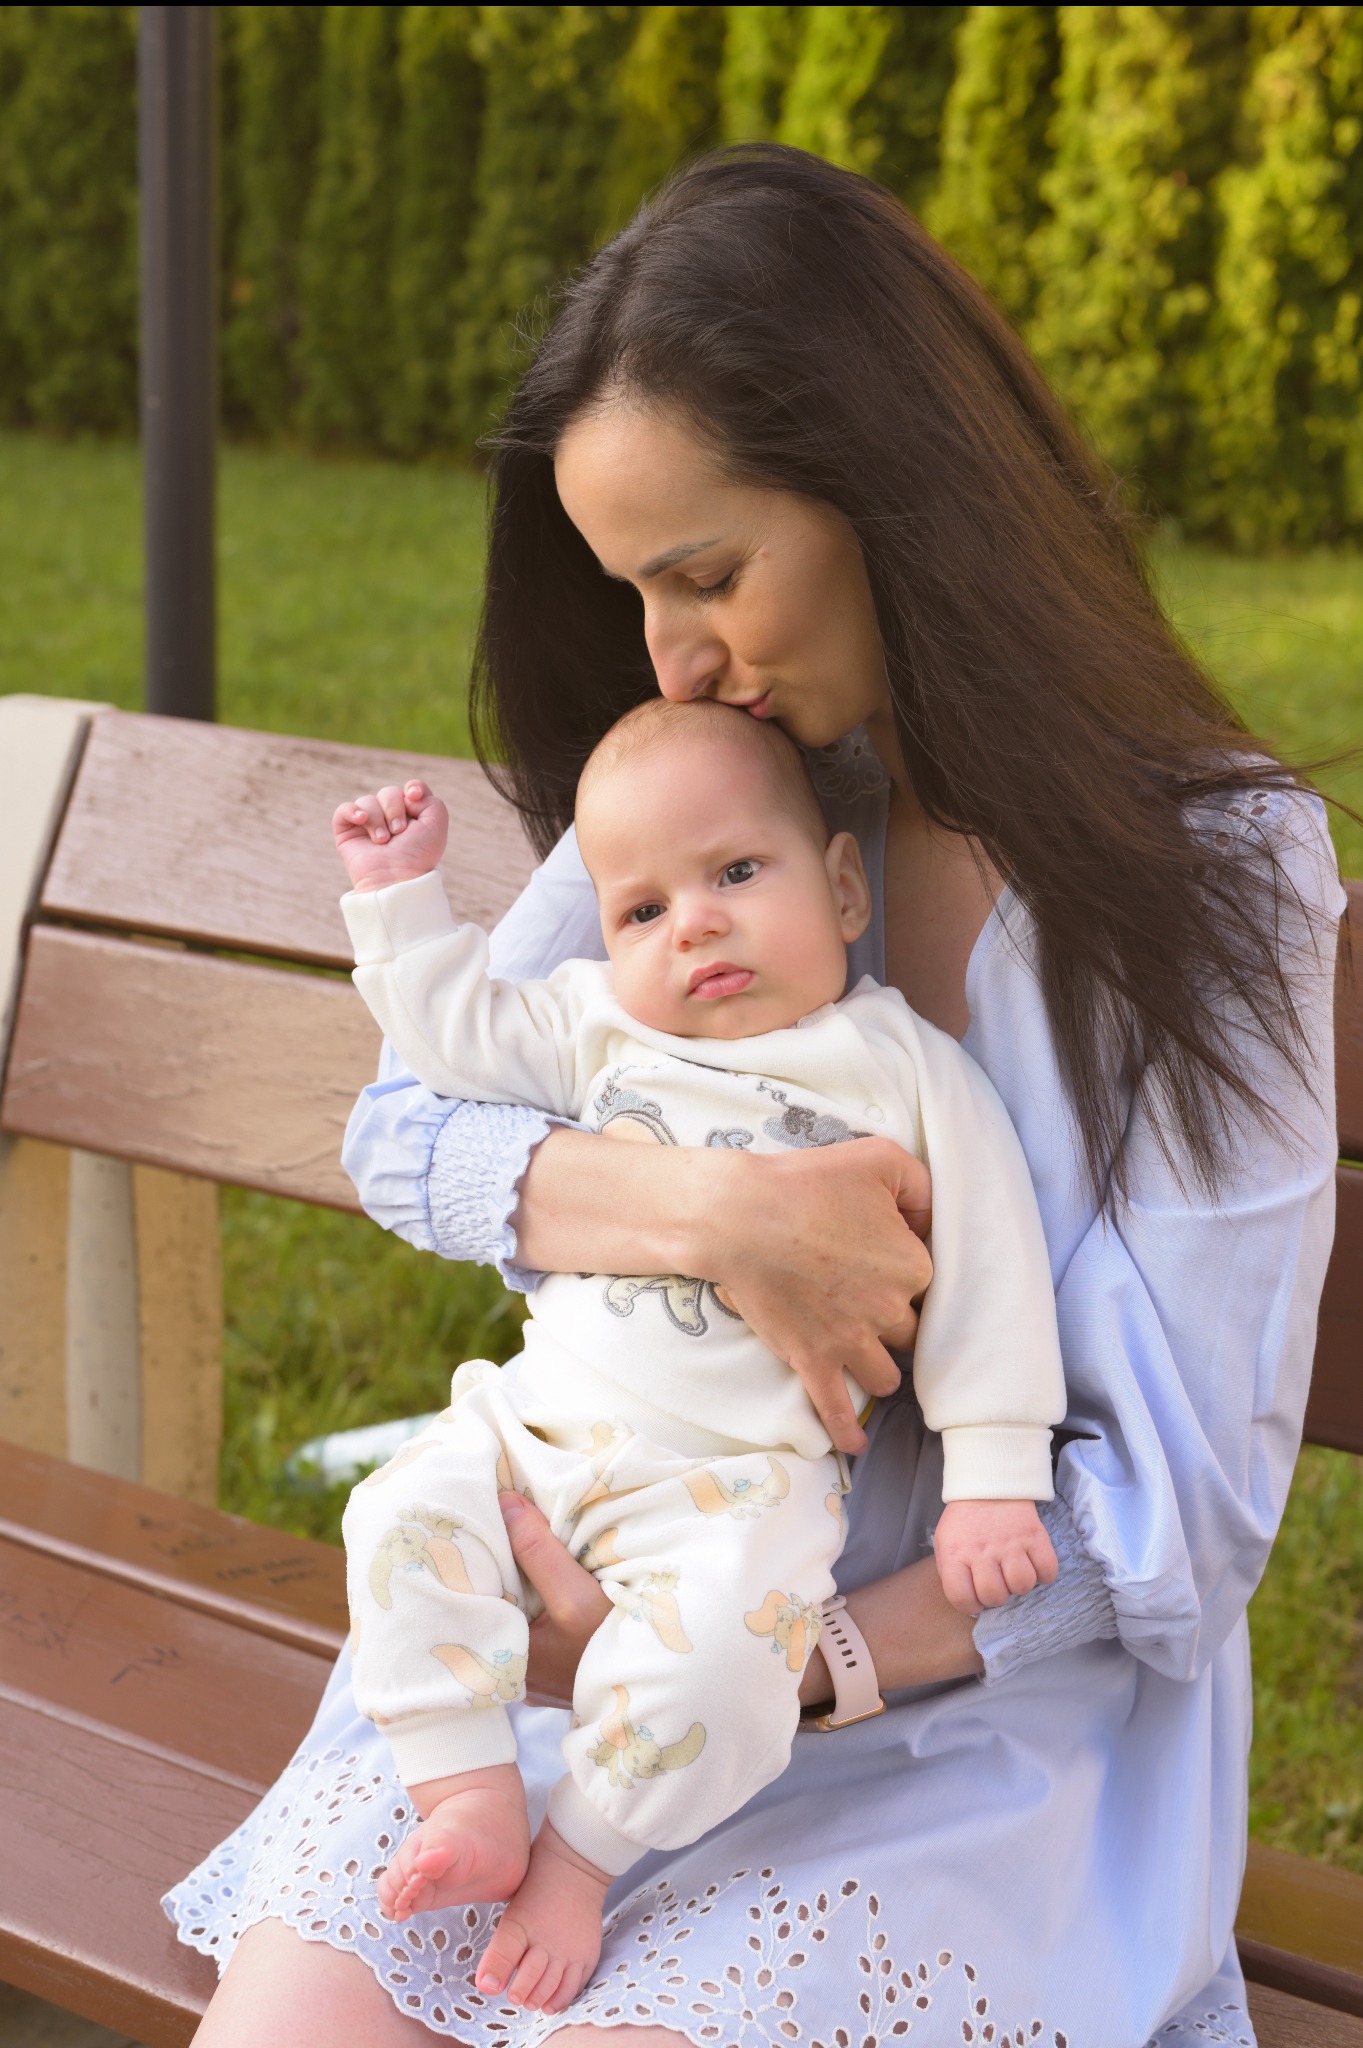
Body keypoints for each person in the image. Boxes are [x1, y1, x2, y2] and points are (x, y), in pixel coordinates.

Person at [168, 146, 1343, 2048]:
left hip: (964, 1740)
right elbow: (409, 1124)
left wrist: (776, 1660)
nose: (675, 659)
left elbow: (1179, 1522)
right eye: (637, 591)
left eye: (707, 575)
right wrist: (723, 1222)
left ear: (899, 496)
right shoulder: (740, 795)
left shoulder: (1213, 877)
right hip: (593, 1629)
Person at [331, 695, 1066, 2014]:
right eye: (642, 910)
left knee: (728, 1660)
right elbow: (452, 1046)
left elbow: (993, 1270)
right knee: (397, 1518)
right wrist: (400, 903)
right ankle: (465, 1789)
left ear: (842, 889)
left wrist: (994, 1478)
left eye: (735, 873)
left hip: (739, 1486)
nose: (696, 926)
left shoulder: (902, 1068)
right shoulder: (597, 1024)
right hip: (535, 1424)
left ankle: (578, 1858)